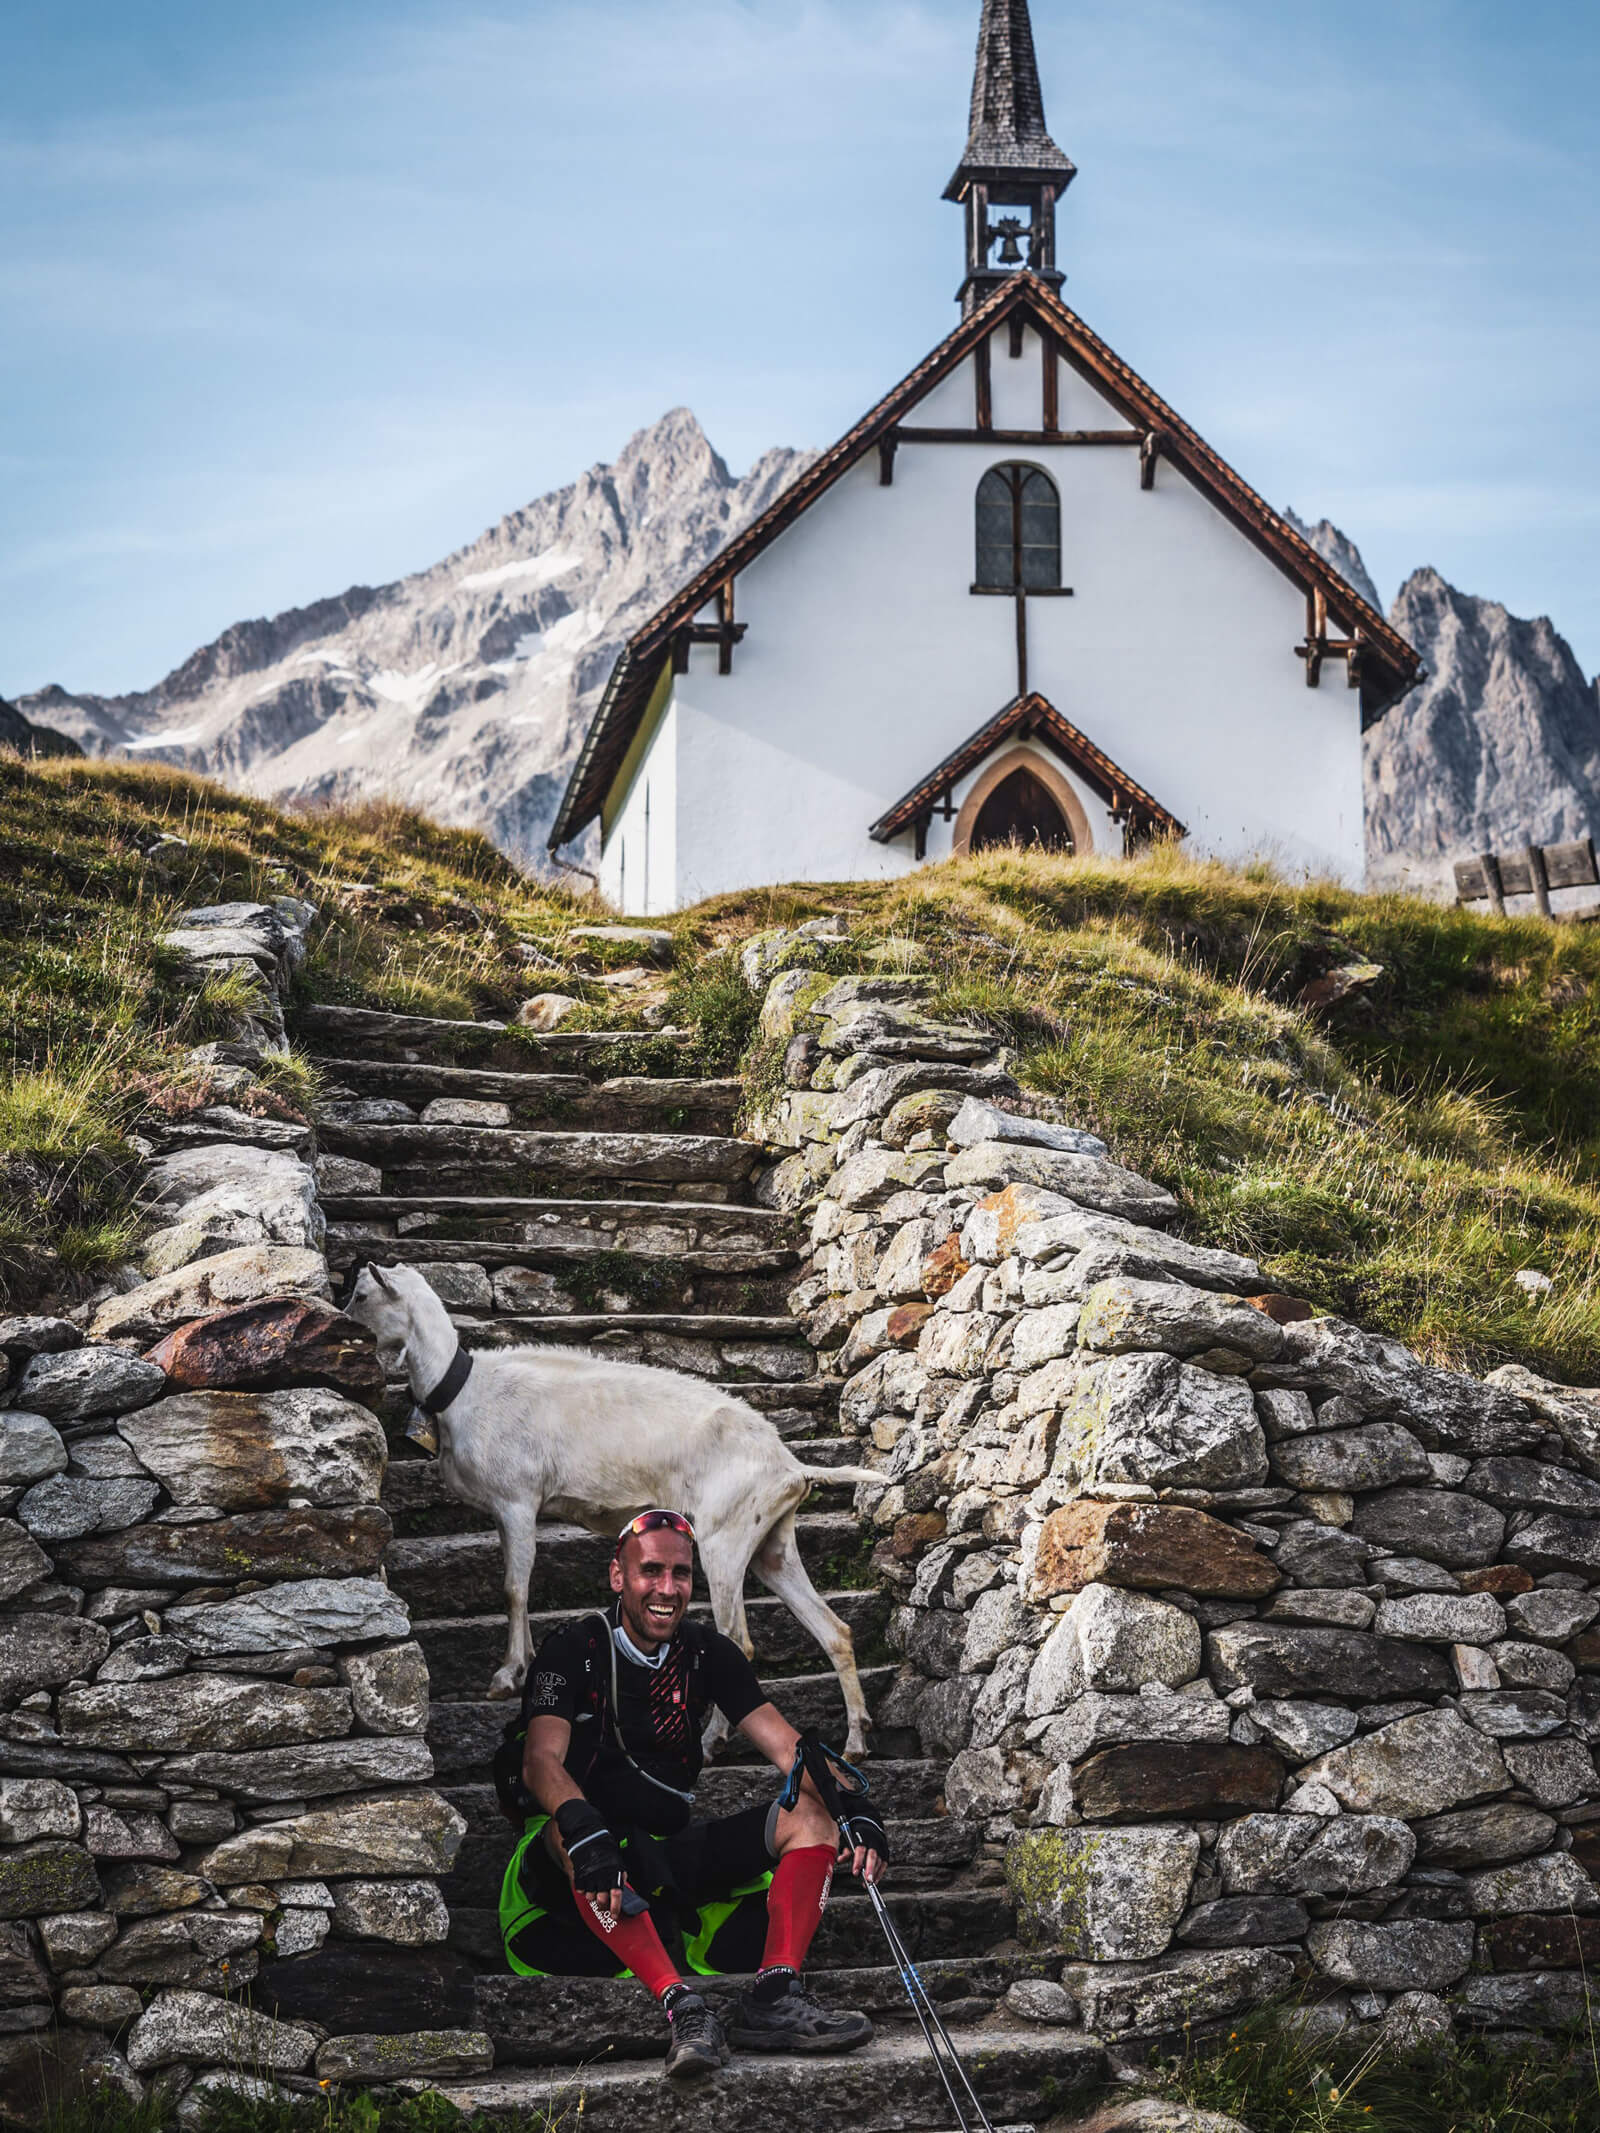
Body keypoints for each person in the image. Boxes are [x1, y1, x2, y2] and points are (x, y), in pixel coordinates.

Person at [498, 1507, 887, 2080]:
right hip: (575, 1862)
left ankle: (775, 1996)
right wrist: (582, 1824)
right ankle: (682, 2007)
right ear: (617, 1577)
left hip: (663, 1853)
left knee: (810, 1818)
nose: (666, 1588)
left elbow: (790, 1749)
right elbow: (541, 1762)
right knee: (575, 1830)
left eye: (680, 1574)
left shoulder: (709, 1653)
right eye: (650, 1571)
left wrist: (854, 1805)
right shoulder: (570, 1650)